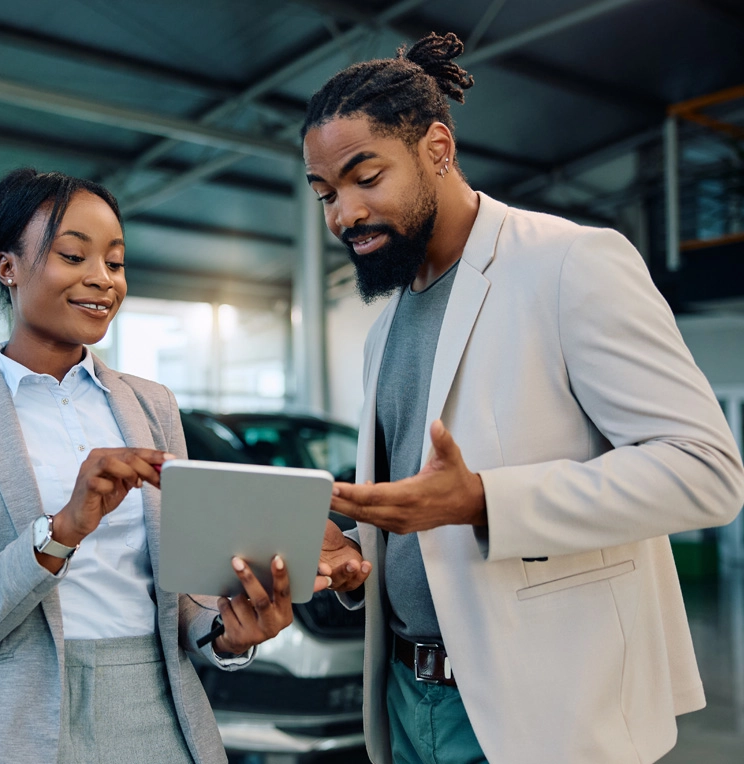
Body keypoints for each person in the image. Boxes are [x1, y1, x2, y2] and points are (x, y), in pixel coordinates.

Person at [305, 31, 744, 764]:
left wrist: (484, 501)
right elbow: (423, 522)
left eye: (364, 177)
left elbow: (706, 473)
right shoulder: (382, 332)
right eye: (325, 193)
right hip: (407, 702)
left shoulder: (570, 263)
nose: (343, 215)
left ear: (437, 149)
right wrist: (358, 559)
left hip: (542, 708)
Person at [0, 168, 295, 764]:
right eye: (72, 255)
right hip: (14, 725)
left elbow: (182, 598)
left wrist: (225, 633)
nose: (102, 280)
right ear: (8, 268)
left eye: (115, 261)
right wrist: (60, 533)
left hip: (159, 716)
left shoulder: (151, 404)